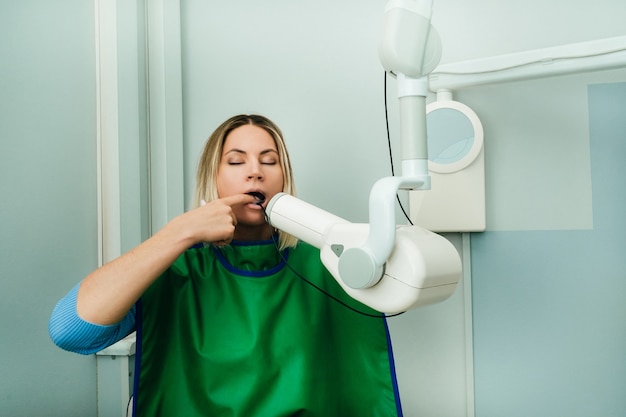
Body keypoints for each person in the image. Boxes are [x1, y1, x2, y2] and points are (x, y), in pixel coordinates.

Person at [49, 114, 403, 416]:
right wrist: (178, 233)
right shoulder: (174, 269)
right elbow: (72, 332)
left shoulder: (337, 264)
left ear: (284, 177)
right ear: (213, 178)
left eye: (269, 160)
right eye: (236, 162)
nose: (255, 173)